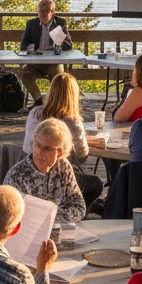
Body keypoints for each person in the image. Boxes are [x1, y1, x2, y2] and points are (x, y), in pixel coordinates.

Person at [22, 72, 103, 205]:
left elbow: (28, 146)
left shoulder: (35, 112)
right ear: (73, 95)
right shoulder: (72, 121)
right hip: (55, 176)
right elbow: (82, 157)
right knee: (96, 184)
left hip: (28, 170)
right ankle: (73, 210)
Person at [4, 119, 86, 226]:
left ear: (60, 153)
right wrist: (50, 216)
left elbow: (79, 207)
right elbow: (9, 217)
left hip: (56, 229)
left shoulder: (63, 167)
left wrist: (48, 216)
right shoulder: (17, 176)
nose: (40, 152)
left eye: (47, 148)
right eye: (37, 145)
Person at [19, 0, 73, 99]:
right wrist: (31, 48)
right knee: (24, 74)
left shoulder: (59, 23)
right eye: (40, 11)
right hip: (36, 63)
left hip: (54, 63)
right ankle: (38, 100)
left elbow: (68, 46)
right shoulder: (32, 23)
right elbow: (23, 44)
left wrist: (57, 38)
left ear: (52, 12)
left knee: (59, 76)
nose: (42, 14)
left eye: (45, 11)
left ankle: (54, 102)